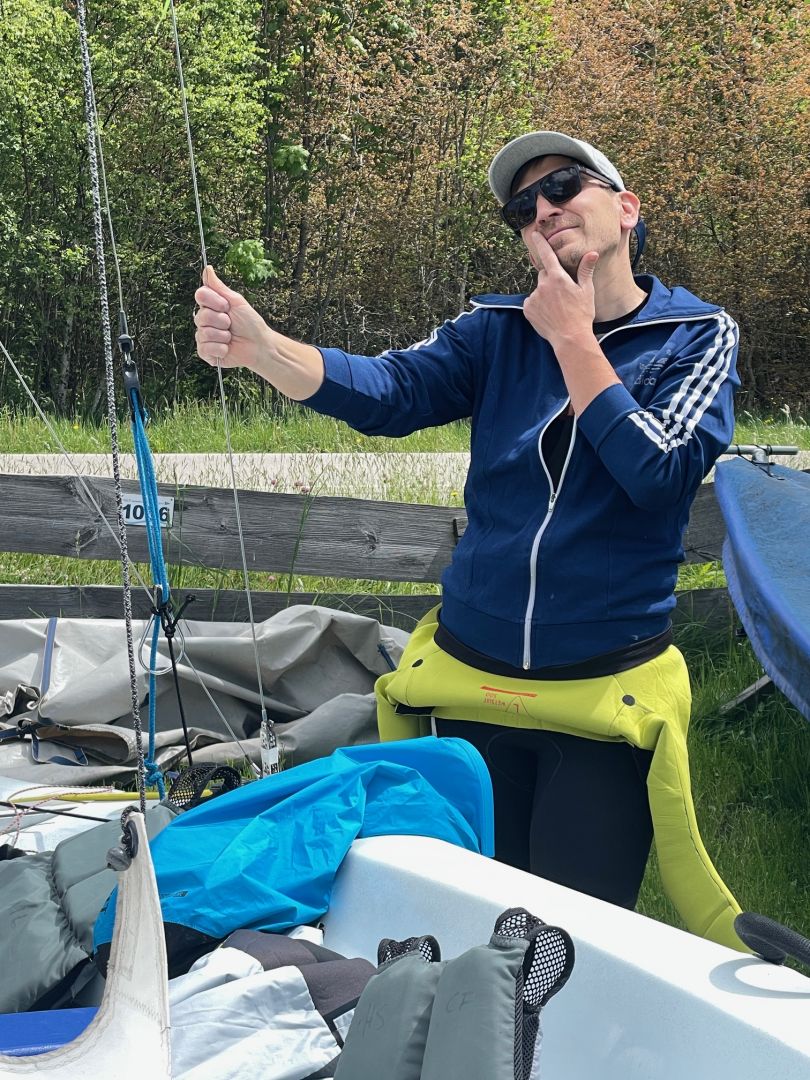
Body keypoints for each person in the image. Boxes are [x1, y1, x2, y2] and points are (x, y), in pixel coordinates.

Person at [195, 131, 743, 942]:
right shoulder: (494, 329)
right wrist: (266, 350)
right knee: (463, 926)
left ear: (626, 208)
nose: (544, 208)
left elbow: (658, 472)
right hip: (468, 682)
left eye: (564, 186)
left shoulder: (697, 334)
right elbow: (390, 390)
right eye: (523, 207)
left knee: (571, 943)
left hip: (600, 691)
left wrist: (573, 339)